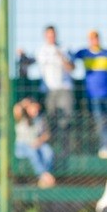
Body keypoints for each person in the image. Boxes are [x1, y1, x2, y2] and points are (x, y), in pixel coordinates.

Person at [73, 30, 107, 159]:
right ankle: (105, 146)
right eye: (91, 38)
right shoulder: (84, 53)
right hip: (93, 94)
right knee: (99, 120)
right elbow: (71, 58)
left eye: (96, 38)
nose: (94, 40)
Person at [36, 25, 75, 157]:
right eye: (48, 35)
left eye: (53, 35)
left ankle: (66, 151)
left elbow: (71, 67)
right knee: (50, 121)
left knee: (65, 121)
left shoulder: (64, 48)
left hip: (64, 89)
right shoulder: (41, 51)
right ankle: (51, 150)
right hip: (49, 91)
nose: (51, 37)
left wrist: (61, 56)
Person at [13, 97, 56, 188]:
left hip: (38, 144)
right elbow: (16, 109)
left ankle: (44, 176)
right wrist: (24, 103)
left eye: (37, 108)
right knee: (32, 153)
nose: (36, 110)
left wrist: (39, 141)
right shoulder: (22, 117)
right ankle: (44, 176)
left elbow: (47, 134)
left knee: (48, 152)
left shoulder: (41, 119)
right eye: (33, 108)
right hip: (23, 145)